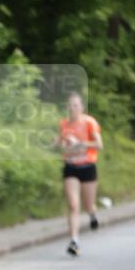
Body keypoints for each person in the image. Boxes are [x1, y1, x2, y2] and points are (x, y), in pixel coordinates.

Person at [52, 91, 103, 256]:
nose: (73, 108)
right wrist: (56, 143)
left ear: (81, 107)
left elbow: (99, 144)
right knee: (73, 205)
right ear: (67, 107)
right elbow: (60, 142)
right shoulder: (64, 124)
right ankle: (74, 241)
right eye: (70, 105)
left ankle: (93, 214)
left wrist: (81, 144)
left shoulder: (89, 122)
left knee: (88, 205)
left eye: (76, 105)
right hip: (71, 167)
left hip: (88, 166)